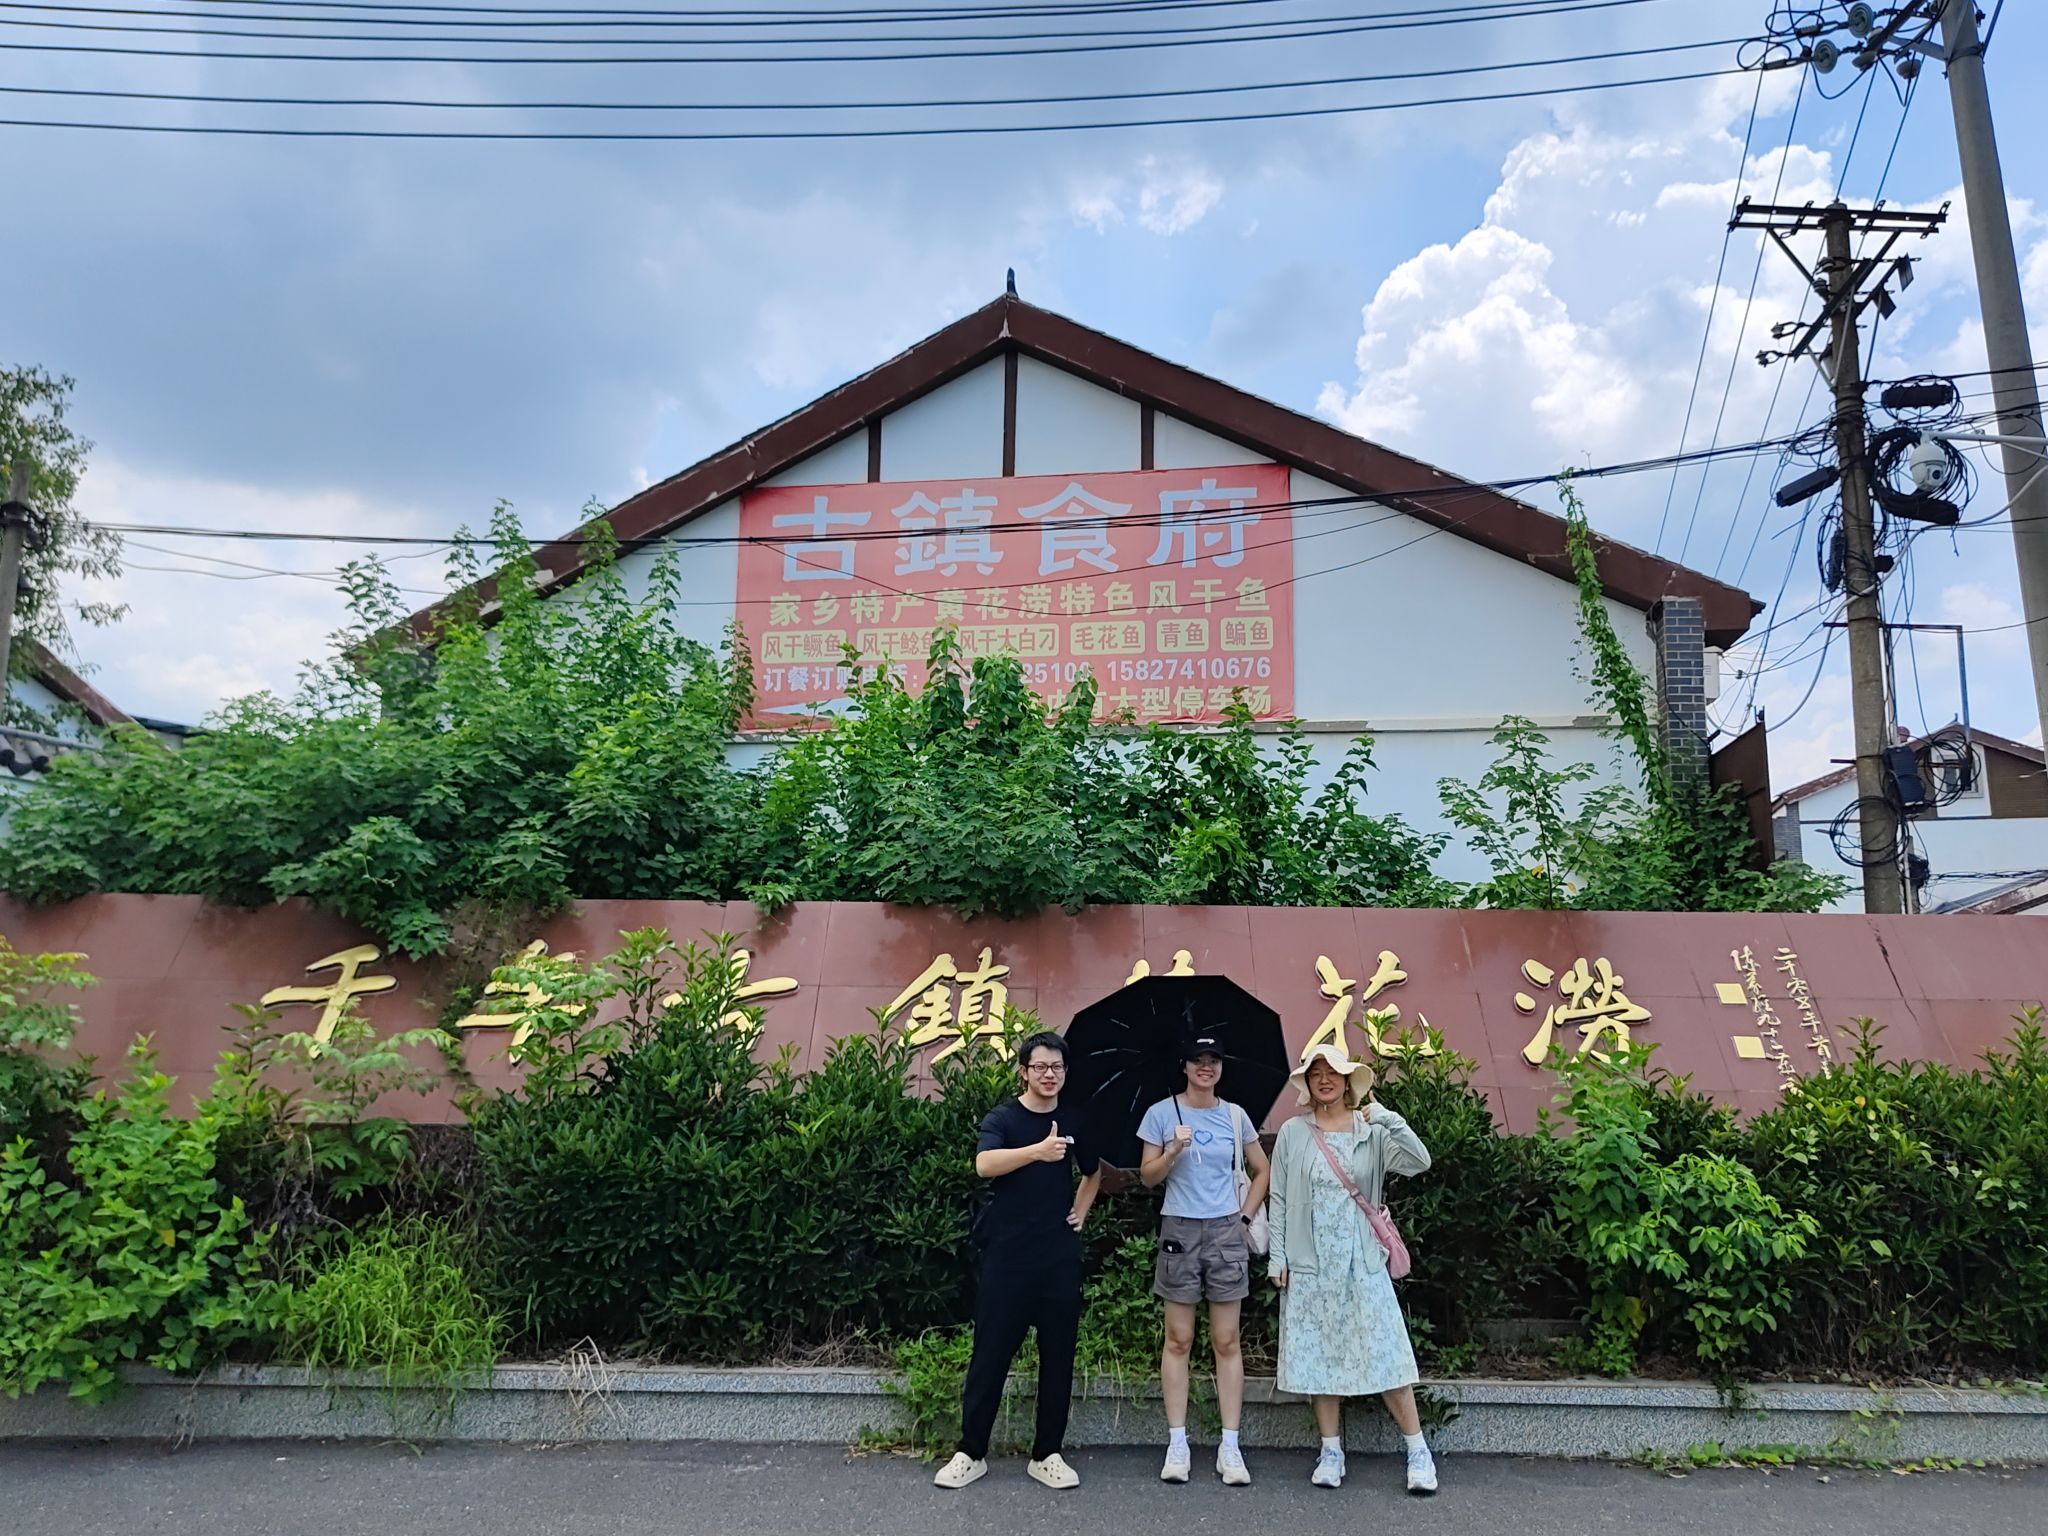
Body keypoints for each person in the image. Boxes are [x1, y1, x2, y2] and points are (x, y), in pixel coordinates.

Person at [1265, 1040, 1438, 1496]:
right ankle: (1330, 1451)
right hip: (1310, 1260)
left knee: (1387, 1351)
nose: (1324, 1080)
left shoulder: (1371, 1130)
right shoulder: (1293, 1133)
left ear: (1348, 1081)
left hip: (1362, 1259)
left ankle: (1418, 1452)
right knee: (1319, 1355)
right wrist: (1278, 1257)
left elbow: (1419, 1161)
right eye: (1316, 1073)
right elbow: (1278, 1197)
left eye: (1333, 1073)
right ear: (1307, 1083)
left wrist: (1387, 1118)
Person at [934, 1030, 1103, 1492]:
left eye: (1057, 1067)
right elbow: (984, 1164)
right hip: (1007, 1257)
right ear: (1024, 1071)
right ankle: (971, 1452)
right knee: (989, 1356)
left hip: (1058, 1258)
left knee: (1058, 1358)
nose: (1050, 1075)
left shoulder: (1075, 1118)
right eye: (1041, 1067)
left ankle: (1047, 1454)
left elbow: (1094, 1173)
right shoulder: (1004, 1117)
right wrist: (1038, 1152)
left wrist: (1081, 1211)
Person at [1136, 1032, 1271, 1487]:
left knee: (1226, 1340)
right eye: (1197, 1059)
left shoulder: (1235, 1115)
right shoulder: (1161, 1114)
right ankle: (1178, 1443)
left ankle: (1230, 1446)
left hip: (1225, 1229)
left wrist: (1244, 1216)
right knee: (1178, 1338)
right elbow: (1148, 1177)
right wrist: (1172, 1151)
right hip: (1179, 1228)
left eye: (1213, 1059)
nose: (1205, 1067)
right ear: (1184, 1066)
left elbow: (1262, 1169)